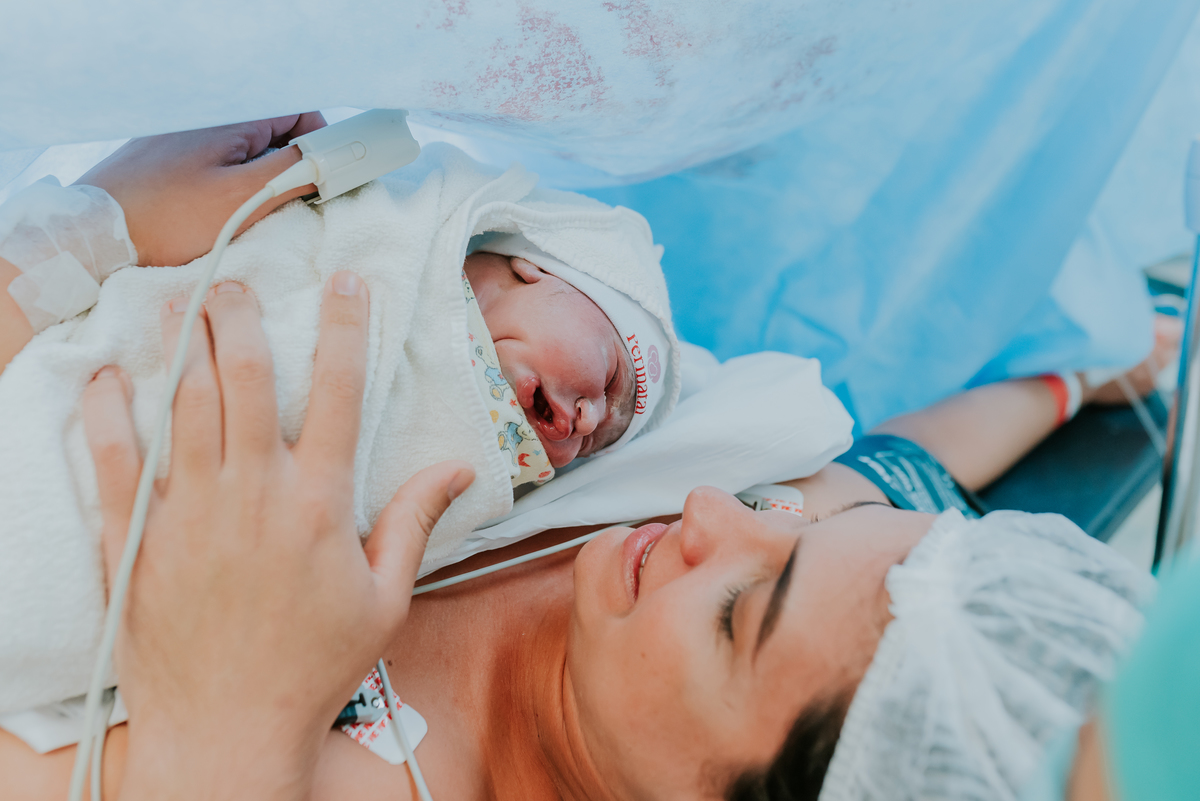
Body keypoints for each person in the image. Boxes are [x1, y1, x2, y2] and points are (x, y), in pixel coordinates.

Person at [0, 119, 1165, 801]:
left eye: (737, 616)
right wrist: (1072, 383)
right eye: (794, 525)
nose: (716, 512)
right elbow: (901, 471)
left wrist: (224, 739)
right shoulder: (723, 504)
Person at [0, 118, 680, 716]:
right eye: (609, 378)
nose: (589, 418)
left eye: (600, 439)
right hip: (69, 421)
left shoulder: (473, 485)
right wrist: (93, 232)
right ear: (534, 267)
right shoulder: (385, 238)